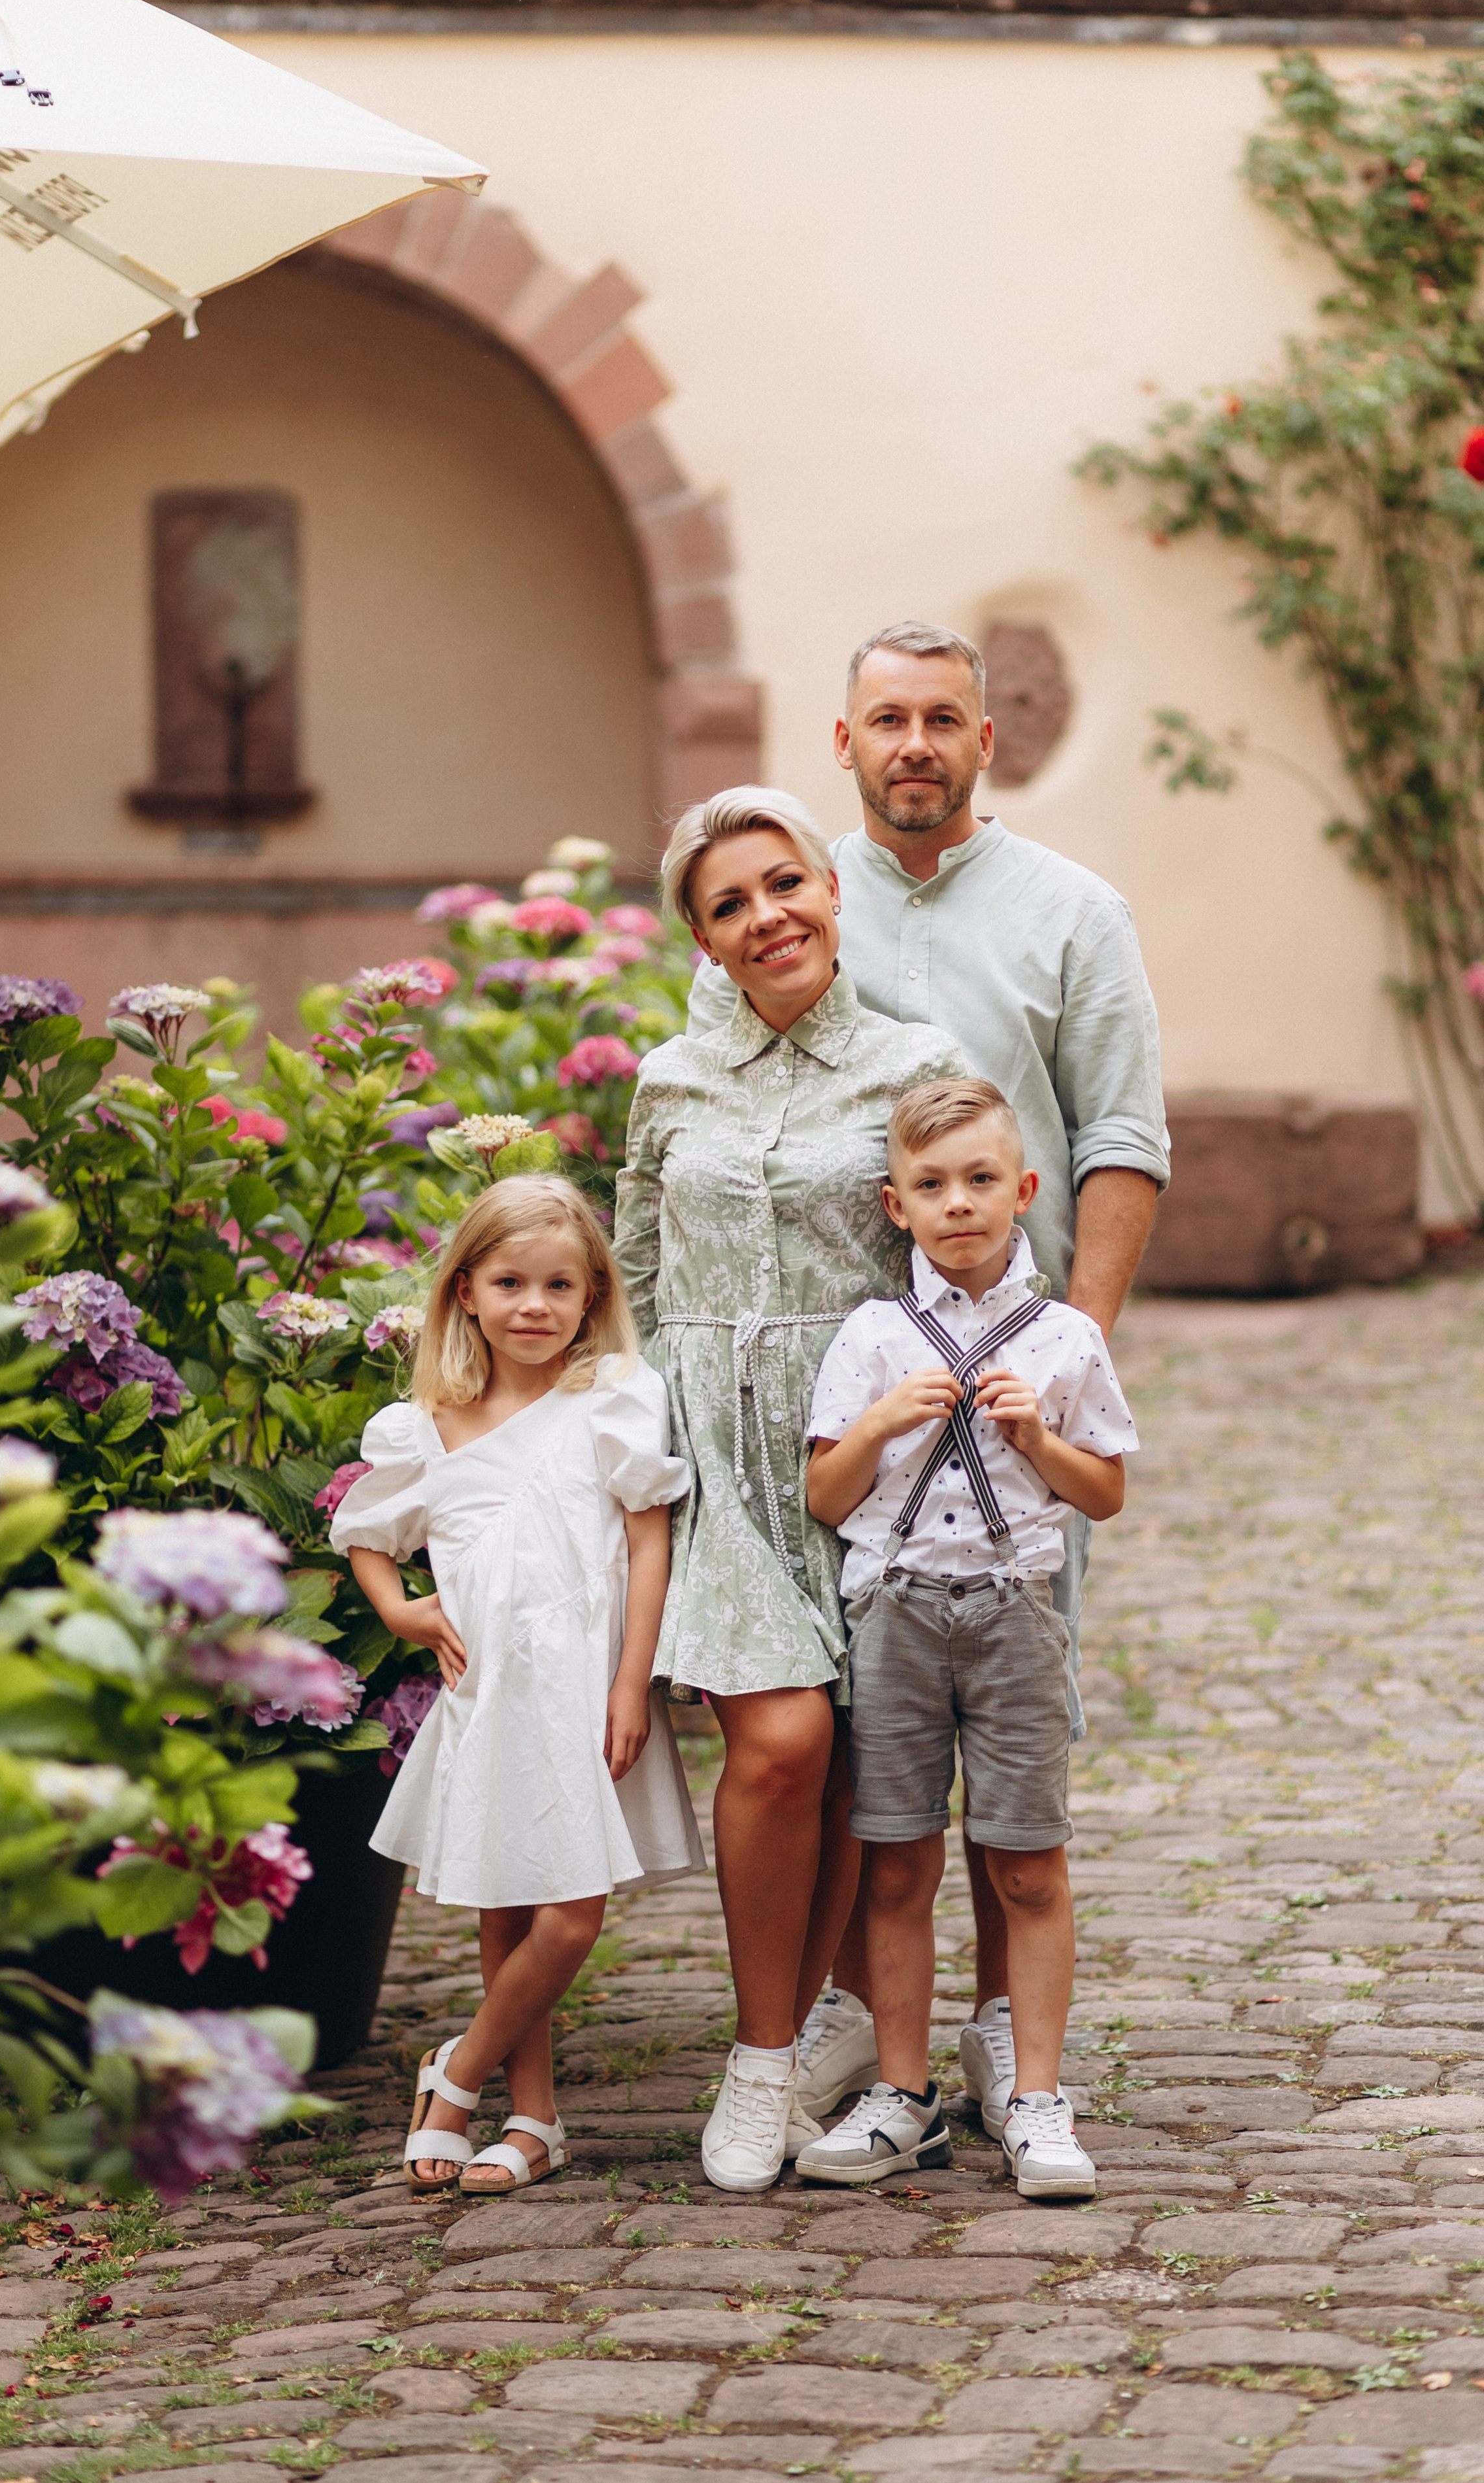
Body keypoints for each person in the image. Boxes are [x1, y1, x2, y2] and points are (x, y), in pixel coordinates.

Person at [686, 621, 1168, 2139]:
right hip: (822, 1412)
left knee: (1001, 1709)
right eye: (884, 719)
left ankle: (988, 2038)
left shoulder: (1072, 914)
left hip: (1001, 1406)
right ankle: (857, 2026)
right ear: (842, 741)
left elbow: (1119, 1142)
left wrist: (1054, 1357)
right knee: (855, 1726)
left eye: (940, 720)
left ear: (981, 737)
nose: (913, 744)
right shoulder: (792, 888)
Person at [612, 787, 968, 2191]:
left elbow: (968, 1238)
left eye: (784, 884)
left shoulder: (912, 1062)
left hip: (863, 1446)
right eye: (727, 903)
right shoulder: (664, 1082)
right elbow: (637, 1270)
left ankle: (821, 2026)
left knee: (853, 1753)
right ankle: (761, 2062)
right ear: (698, 937)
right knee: (775, 1742)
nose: (765, 917)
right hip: (714, 1452)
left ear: (829, 887)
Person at [795, 1077, 1137, 2197]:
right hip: (894, 1613)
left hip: (1013, 1617)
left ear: (1024, 1192)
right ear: (896, 1206)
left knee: (1028, 1860)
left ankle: (1035, 2093)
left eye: (980, 1180)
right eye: (931, 1185)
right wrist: (886, 1420)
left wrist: (1037, 1435)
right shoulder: (873, 1334)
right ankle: (903, 2095)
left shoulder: (1066, 1337)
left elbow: (1105, 1494)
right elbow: (825, 1496)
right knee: (895, 1859)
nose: (957, 1203)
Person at [330, 1174, 703, 2193]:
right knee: (506, 1898)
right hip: (490, 1687)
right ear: (465, 1292)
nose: (533, 1305)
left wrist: (635, 1682)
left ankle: (455, 2074)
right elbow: (366, 1533)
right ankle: (534, 2117)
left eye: (558, 1285)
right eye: (509, 1282)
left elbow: (647, 1541)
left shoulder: (613, 1399)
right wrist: (403, 1609)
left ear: (591, 1296)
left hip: (584, 1682)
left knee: (569, 1913)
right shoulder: (427, 1423)